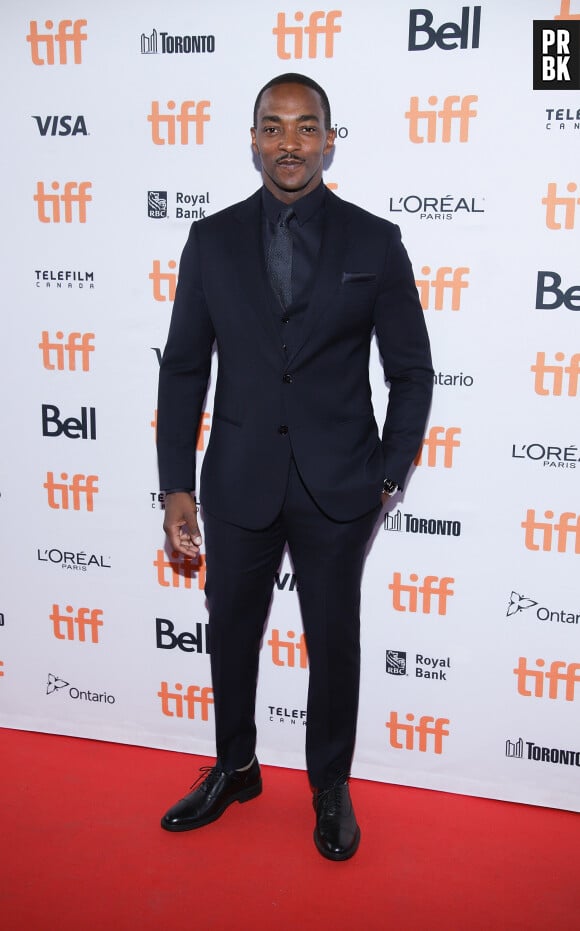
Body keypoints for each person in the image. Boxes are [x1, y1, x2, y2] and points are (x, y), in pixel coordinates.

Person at [156, 72, 433, 861]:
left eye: (305, 127)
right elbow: (183, 369)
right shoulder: (209, 241)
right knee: (231, 634)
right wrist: (177, 483)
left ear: (329, 139)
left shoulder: (374, 241)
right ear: (253, 141)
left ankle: (328, 785)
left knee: (334, 641)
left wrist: (388, 476)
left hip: (340, 484)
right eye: (273, 128)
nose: (289, 143)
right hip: (238, 477)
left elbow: (411, 370)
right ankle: (237, 766)